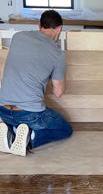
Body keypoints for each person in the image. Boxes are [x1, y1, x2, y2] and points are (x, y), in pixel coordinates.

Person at [0, 10, 73, 156]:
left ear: (39, 25)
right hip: (29, 113)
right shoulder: (58, 54)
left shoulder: (18, 37)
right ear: (59, 28)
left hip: (2, 109)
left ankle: (9, 130)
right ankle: (28, 140)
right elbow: (58, 92)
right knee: (64, 129)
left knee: (18, 119)